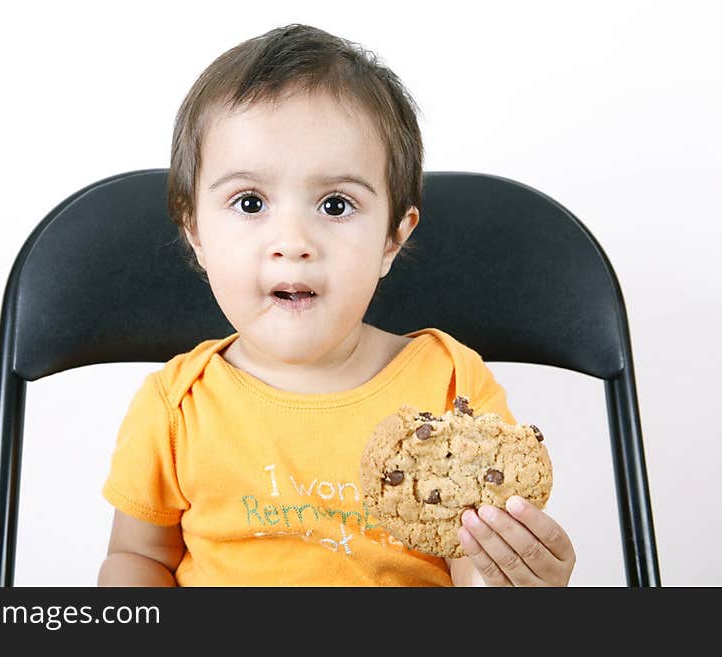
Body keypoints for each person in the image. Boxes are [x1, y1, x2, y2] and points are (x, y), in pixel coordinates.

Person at [97, 23, 576, 586]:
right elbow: (138, 557)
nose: (294, 240)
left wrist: (514, 582)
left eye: (335, 204)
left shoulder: (451, 388)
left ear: (392, 240)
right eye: (250, 202)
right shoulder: (175, 407)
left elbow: (474, 563)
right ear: (196, 233)